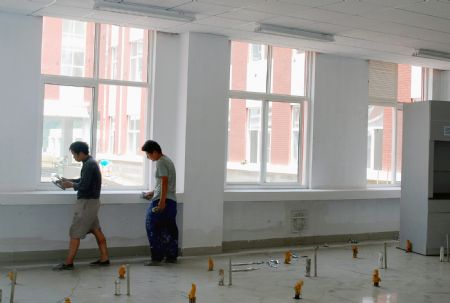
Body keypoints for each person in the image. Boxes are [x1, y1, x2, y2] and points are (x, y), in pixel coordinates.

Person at [53, 141, 110, 270]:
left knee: (75, 232)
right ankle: (104, 258)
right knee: (96, 230)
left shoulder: (89, 164)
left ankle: (68, 263)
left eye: (74, 155)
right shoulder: (90, 162)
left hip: (87, 203)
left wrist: (71, 185)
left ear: (81, 153)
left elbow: (84, 186)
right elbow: (83, 180)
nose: (74, 157)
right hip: (92, 203)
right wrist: (69, 180)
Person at [142, 140, 178, 265]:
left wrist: (161, 202)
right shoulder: (168, 160)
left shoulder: (160, 162)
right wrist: (152, 192)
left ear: (155, 152)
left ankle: (157, 257)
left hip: (163, 201)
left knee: (151, 226)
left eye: (148, 154)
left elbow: (164, 182)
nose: (148, 157)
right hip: (171, 202)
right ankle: (171, 256)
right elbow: (163, 183)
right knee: (169, 228)